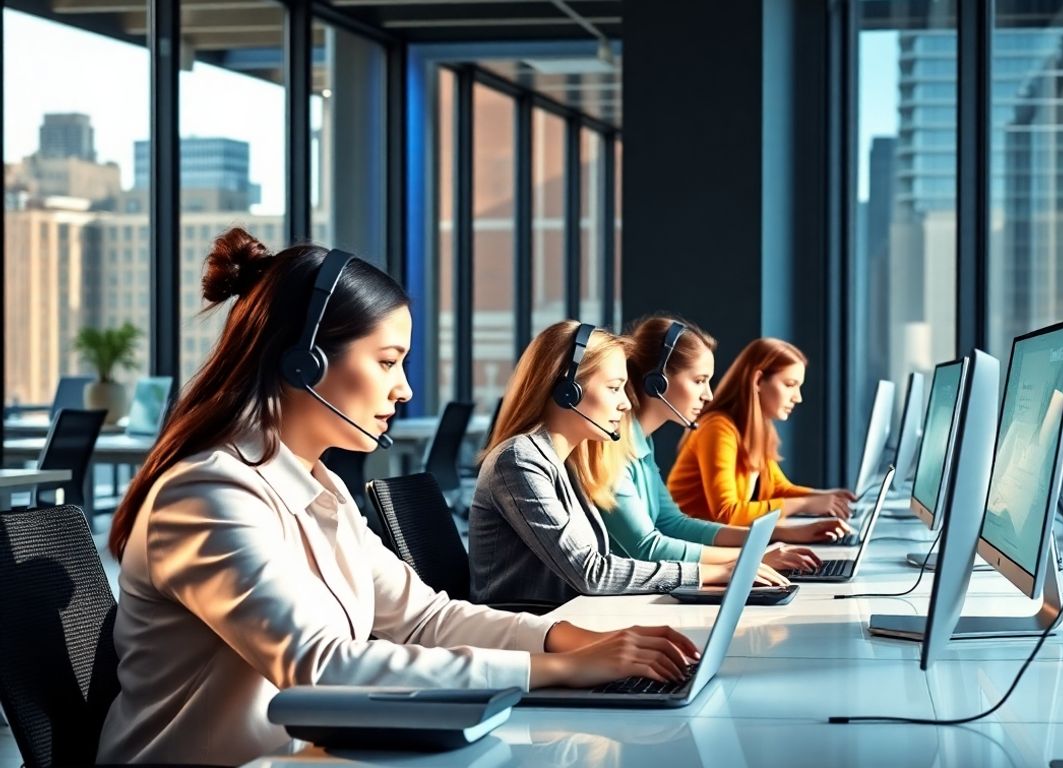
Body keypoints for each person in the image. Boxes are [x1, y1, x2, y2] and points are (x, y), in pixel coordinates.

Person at [97, 230, 698, 765]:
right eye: (387, 362)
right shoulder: (207, 495)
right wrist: (556, 671)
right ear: (304, 363)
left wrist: (567, 640)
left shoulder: (321, 487)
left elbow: (424, 617)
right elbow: (323, 669)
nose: (405, 389)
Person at [468, 321, 789, 607]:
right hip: (531, 632)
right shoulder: (519, 461)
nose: (625, 402)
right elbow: (590, 572)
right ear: (568, 391)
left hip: (570, 618)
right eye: (613, 388)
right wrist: (713, 572)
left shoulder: (565, 461)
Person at [606, 316, 854, 572]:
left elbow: (672, 523)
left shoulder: (642, 443)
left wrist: (771, 542)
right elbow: (646, 548)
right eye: (699, 380)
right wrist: (750, 558)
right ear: (657, 381)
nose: (708, 395)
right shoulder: (612, 447)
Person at [667, 337, 856, 526]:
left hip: (719, 543)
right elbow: (727, 512)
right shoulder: (717, 428)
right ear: (758, 381)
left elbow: (778, 488)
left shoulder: (756, 430)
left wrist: (829, 497)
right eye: (790, 385)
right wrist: (805, 504)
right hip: (691, 548)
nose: (798, 398)